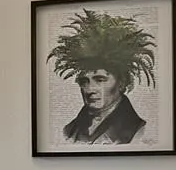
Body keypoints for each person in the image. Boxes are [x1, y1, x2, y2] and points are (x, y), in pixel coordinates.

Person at [47, 9, 156, 145]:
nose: (89, 90)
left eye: (100, 80)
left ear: (121, 83)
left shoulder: (140, 133)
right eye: (84, 81)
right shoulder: (69, 131)